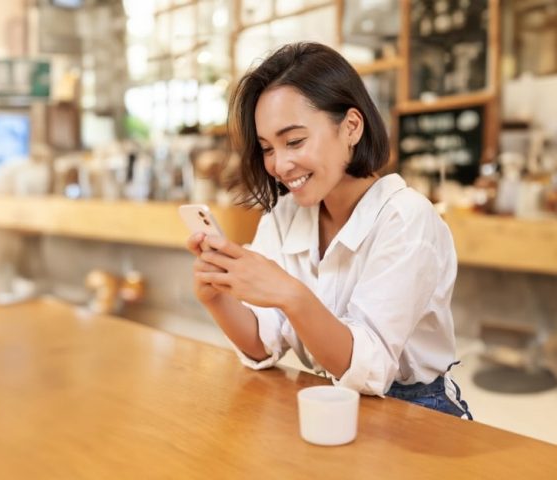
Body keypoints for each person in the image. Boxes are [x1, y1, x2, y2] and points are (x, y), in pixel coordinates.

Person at [185, 42, 472, 419]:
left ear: (351, 126)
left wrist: (290, 294)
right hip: (334, 398)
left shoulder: (406, 218)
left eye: (295, 141)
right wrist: (217, 297)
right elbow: (261, 344)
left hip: (419, 411)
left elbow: (371, 369)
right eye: (267, 148)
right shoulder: (285, 217)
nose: (279, 164)